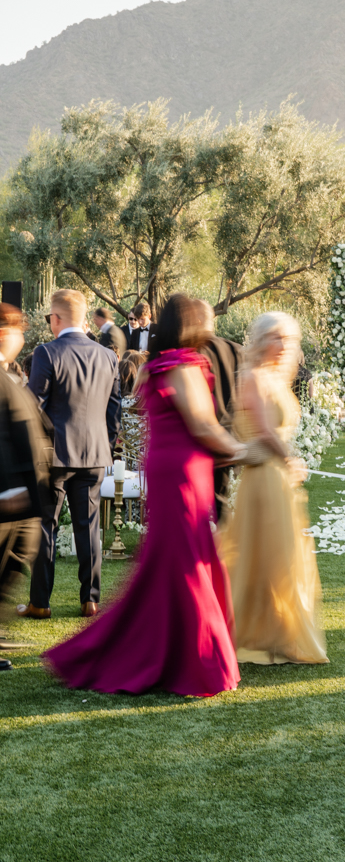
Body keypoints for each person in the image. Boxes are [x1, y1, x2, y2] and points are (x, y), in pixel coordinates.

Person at [43, 293, 246, 696]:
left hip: (179, 469)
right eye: (205, 319)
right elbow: (203, 427)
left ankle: (167, 652)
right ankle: (194, 661)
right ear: (188, 323)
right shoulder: (181, 366)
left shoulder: (159, 365)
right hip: (183, 474)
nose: (211, 326)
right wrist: (246, 451)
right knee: (184, 565)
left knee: (169, 566)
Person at [216, 312, 327, 667]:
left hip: (278, 481)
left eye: (287, 339)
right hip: (263, 480)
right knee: (267, 558)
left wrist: (289, 462)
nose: (282, 346)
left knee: (281, 558)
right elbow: (264, 431)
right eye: (275, 338)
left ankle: (279, 632)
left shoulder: (277, 379)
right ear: (261, 340)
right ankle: (249, 632)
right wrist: (291, 458)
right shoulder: (251, 377)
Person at [18, 289, 121, 620]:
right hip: (94, 456)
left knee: (45, 525)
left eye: (49, 317)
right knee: (88, 528)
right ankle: (90, 599)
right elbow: (114, 409)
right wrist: (105, 443)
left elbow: (32, 405)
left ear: (56, 318)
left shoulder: (47, 352)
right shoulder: (108, 356)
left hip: (53, 455)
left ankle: (40, 603)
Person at [0, 304, 49, 671]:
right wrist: (8, 487)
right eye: (20, 330)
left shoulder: (10, 372)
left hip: (24, 491)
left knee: (17, 557)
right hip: (9, 492)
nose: (22, 338)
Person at [193, 300, 243, 523]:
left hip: (202, 437)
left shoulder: (192, 352)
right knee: (220, 501)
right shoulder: (236, 350)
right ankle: (225, 549)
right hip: (229, 433)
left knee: (198, 505)